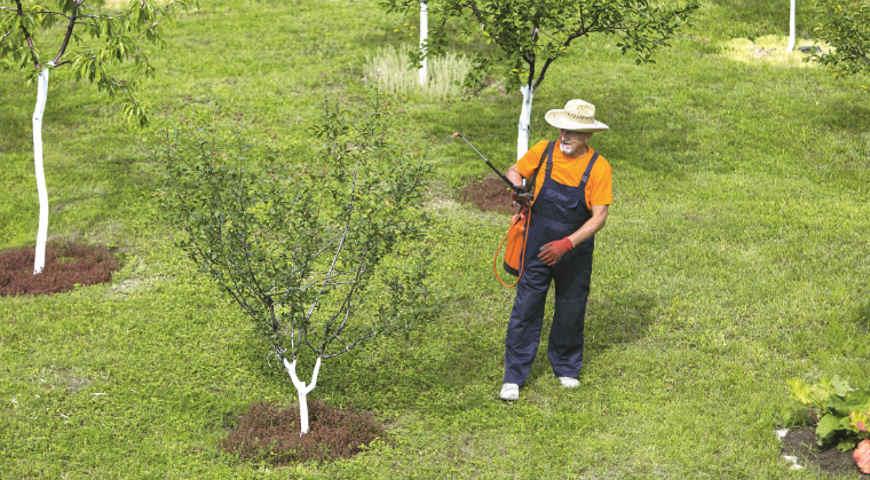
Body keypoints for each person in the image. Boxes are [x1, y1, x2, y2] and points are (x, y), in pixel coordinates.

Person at [499, 99, 613, 401]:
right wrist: (518, 188)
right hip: (536, 246)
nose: (564, 136)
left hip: (574, 251)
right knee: (526, 308)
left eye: (572, 132)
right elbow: (515, 171)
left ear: (587, 136)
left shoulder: (598, 167)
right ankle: (513, 376)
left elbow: (599, 217)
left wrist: (566, 244)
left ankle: (566, 367)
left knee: (571, 309)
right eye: (563, 130)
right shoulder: (544, 151)